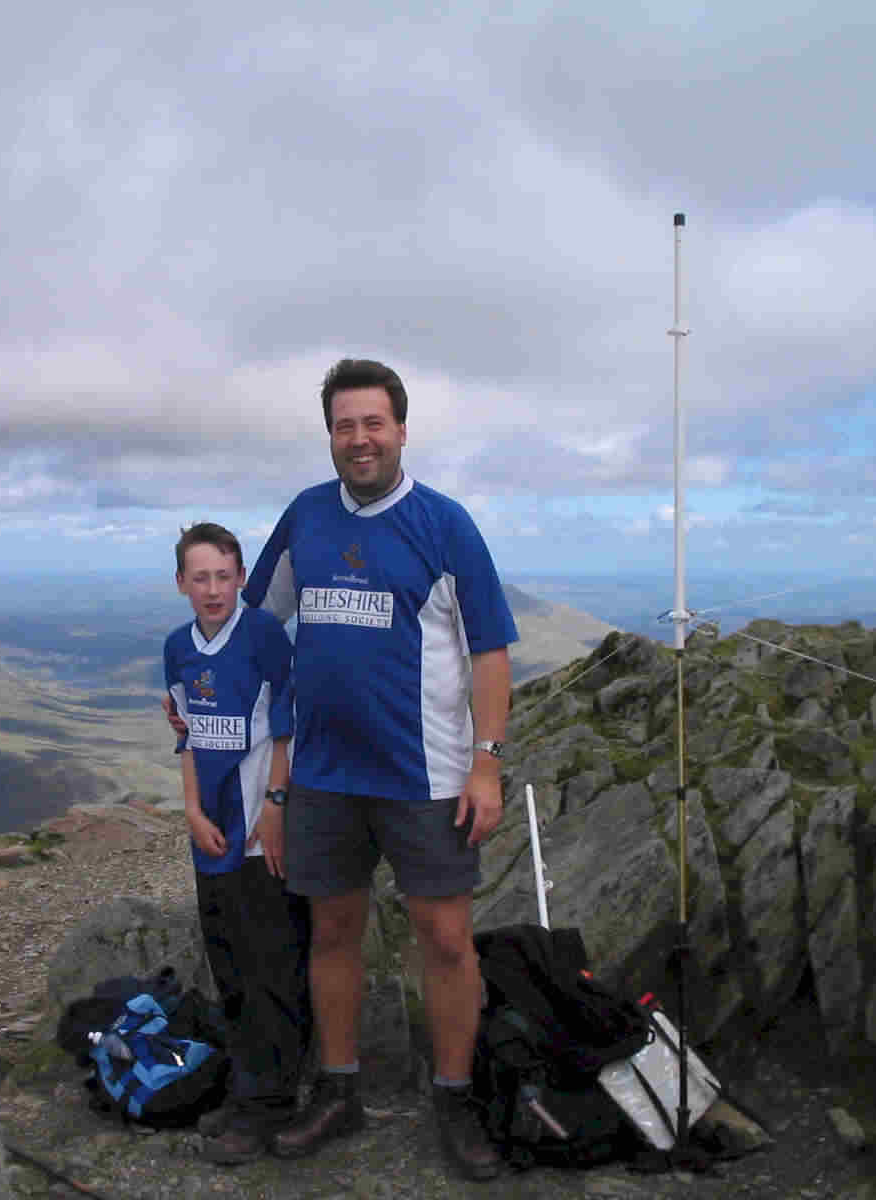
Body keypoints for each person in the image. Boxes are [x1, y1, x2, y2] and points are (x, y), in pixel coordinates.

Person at [242, 358, 517, 1180]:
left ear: (401, 429)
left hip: (426, 774)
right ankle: (340, 1091)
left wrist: (488, 764)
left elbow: (490, 651)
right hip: (326, 774)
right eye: (343, 425)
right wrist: (197, 695)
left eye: (373, 423)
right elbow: (259, 631)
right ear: (329, 434)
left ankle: (455, 1098)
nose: (358, 439)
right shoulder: (306, 517)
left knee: (446, 938)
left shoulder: (444, 524)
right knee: (332, 931)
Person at [162, 521, 312, 1165]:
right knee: (228, 965)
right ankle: (250, 1089)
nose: (214, 589)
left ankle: (271, 1106)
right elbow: (188, 734)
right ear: (181, 584)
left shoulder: (262, 635)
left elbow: (286, 724)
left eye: (225, 576)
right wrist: (191, 810)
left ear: (244, 578)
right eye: (201, 577)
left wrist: (276, 807)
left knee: (269, 967)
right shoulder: (177, 647)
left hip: (259, 831)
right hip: (212, 833)